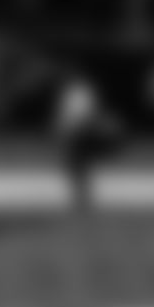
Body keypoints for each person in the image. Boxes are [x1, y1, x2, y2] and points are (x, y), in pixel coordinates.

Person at [54, 75, 121, 212]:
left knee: (78, 167)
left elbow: (81, 115)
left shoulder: (80, 93)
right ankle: (82, 197)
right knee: (76, 168)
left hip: (78, 134)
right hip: (74, 133)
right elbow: (70, 115)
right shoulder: (77, 93)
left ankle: (82, 198)